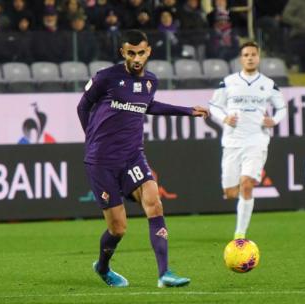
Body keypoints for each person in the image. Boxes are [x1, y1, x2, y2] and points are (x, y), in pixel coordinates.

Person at [77, 30, 208, 288]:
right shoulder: (106, 77)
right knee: (118, 229)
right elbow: (83, 106)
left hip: (132, 157)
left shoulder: (150, 81)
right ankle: (103, 267)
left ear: (148, 52)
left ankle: (164, 274)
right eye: (131, 53)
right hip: (101, 162)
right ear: (123, 53)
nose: (137, 58)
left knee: (154, 204)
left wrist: (187, 111)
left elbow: (149, 105)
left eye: (141, 53)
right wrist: (90, 137)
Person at [208, 41, 287, 240]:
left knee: (247, 184)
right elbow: (214, 106)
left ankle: (240, 234)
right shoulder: (228, 82)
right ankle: (239, 218)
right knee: (230, 192)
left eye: (253, 54)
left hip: (257, 140)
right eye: (246, 55)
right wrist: (224, 117)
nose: (250, 57)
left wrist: (274, 120)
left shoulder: (268, 84)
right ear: (241, 59)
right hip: (232, 141)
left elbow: (282, 108)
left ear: (258, 58)